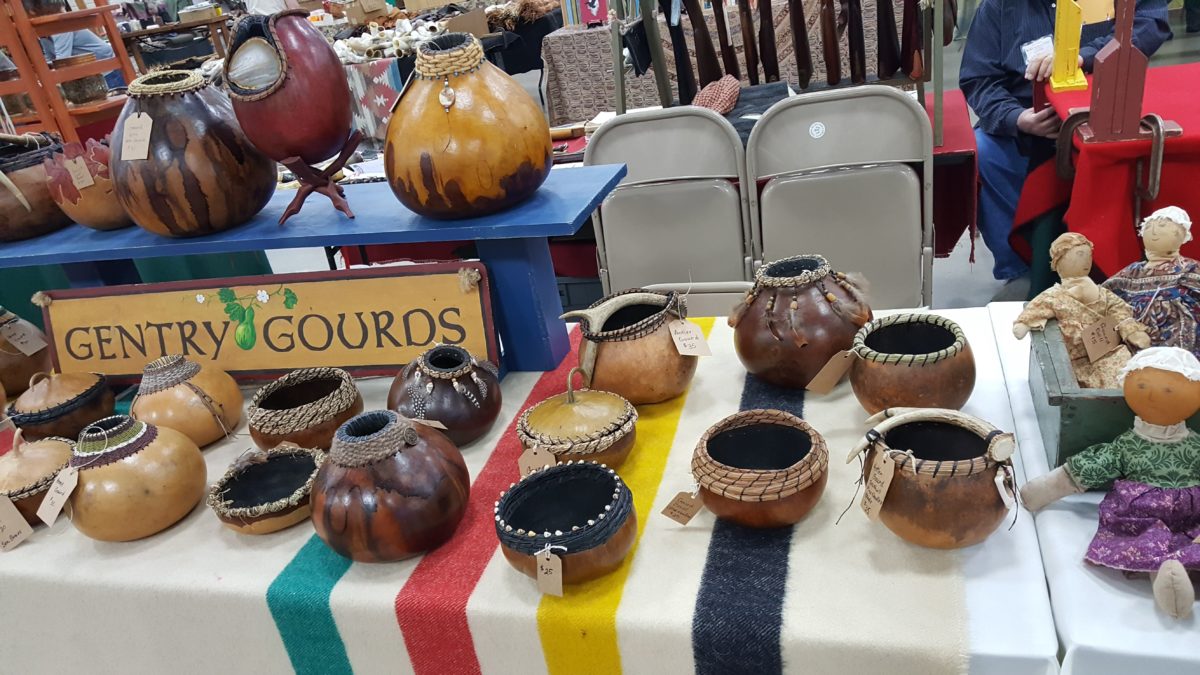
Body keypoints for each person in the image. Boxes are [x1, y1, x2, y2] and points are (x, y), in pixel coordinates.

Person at [959, 0, 1171, 282]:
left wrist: (1083, 57)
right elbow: (979, 79)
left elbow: (1151, 21)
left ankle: (1114, 266)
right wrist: (1017, 118)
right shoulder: (998, 7)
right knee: (983, 153)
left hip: (1106, 115)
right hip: (1031, 123)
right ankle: (1020, 269)